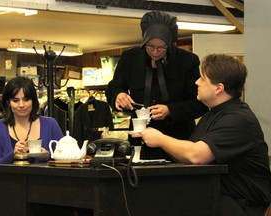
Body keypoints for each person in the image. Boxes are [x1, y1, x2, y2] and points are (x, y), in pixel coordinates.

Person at [133, 54, 271, 216]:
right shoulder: (210, 116)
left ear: (218, 88)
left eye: (203, 79)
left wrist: (161, 140)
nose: (196, 82)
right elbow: (187, 157)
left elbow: (196, 156)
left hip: (241, 206)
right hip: (214, 199)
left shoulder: (238, 119)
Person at [105, 10, 208, 159]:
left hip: (178, 140)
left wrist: (170, 110)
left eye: (161, 47)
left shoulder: (187, 61)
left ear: (170, 44)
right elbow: (113, 88)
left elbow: (199, 104)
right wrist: (118, 96)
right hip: (139, 141)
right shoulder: (130, 58)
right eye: (150, 46)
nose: (155, 51)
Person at [0, 76, 64, 216]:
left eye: (26, 99)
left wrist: (49, 156)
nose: (21, 105)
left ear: (33, 101)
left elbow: (66, 160)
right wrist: (12, 156)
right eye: (15, 100)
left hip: (48, 195)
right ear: (8, 102)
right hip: (7, 194)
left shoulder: (50, 124)